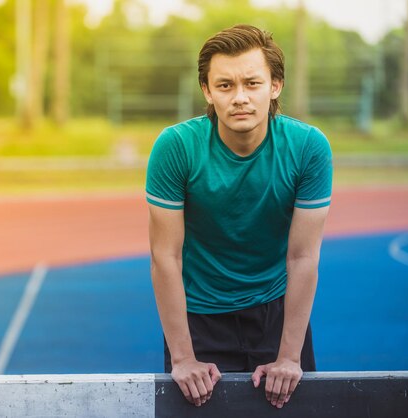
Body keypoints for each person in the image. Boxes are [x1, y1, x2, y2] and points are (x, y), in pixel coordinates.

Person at [146, 24, 332, 410]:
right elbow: (166, 256)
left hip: (276, 312)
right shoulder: (176, 147)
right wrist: (183, 358)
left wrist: (289, 357)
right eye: (226, 86)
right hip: (198, 316)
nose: (240, 98)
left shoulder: (308, 148)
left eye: (252, 83)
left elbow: (303, 257)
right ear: (207, 91)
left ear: (275, 86)